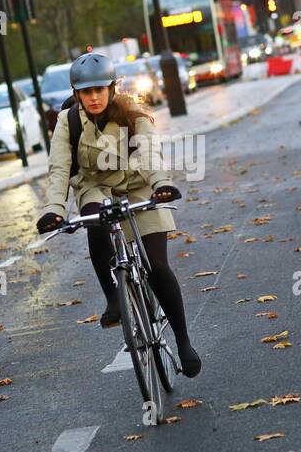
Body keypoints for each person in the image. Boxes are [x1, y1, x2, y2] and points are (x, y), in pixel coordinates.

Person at [34, 53, 202, 377]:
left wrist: (162, 184)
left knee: (156, 266)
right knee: (95, 220)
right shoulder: (66, 122)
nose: (93, 97)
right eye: (86, 92)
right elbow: (58, 170)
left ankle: (183, 342)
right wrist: (54, 209)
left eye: (99, 89)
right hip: (95, 188)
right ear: (76, 93)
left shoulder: (132, 114)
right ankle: (113, 298)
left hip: (140, 185)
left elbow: (151, 153)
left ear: (112, 88)